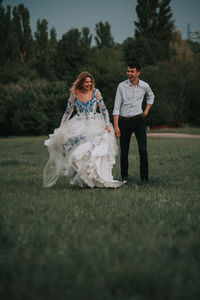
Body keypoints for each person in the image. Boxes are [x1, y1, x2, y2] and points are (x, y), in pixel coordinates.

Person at [43, 72, 124, 188]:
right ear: (81, 82)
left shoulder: (96, 92)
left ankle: (95, 178)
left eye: (90, 81)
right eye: (86, 82)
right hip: (79, 124)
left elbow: (104, 109)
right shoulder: (75, 94)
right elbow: (68, 112)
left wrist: (107, 123)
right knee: (77, 153)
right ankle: (84, 179)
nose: (89, 84)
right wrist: (62, 126)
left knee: (93, 151)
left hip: (95, 123)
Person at [113, 62, 154, 183]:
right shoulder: (121, 86)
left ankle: (144, 178)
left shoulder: (144, 86)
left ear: (138, 73)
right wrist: (116, 125)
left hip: (139, 121)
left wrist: (146, 111)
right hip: (124, 121)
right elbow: (116, 107)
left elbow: (151, 96)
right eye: (128, 71)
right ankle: (124, 177)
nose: (129, 74)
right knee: (124, 151)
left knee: (143, 150)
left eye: (132, 71)